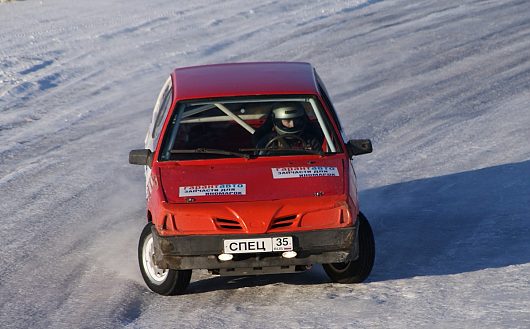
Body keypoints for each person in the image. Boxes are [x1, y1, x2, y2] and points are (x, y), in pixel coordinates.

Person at [254, 102, 323, 152]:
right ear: (278, 121)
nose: (292, 124)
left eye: (296, 120)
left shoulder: (310, 140)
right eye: (287, 120)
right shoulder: (267, 141)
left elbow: (320, 160)